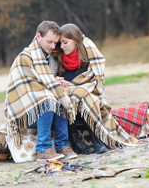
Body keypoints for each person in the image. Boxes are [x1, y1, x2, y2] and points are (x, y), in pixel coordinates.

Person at [55, 23, 139, 153]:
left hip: (87, 92)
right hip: (69, 97)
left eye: (65, 42)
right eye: (60, 43)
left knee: (85, 96)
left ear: (75, 40)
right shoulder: (58, 57)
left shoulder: (88, 53)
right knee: (72, 95)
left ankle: (96, 138)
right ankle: (76, 140)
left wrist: (75, 85)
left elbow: (95, 79)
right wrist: (61, 81)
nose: (62, 46)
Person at [4, 20, 77, 161]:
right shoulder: (24, 57)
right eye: (49, 42)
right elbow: (29, 89)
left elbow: (48, 81)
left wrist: (57, 82)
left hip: (46, 111)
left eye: (55, 43)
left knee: (59, 95)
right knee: (48, 99)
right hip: (26, 112)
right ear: (38, 36)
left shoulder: (51, 59)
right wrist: (51, 83)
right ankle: (43, 149)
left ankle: (62, 145)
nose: (52, 46)